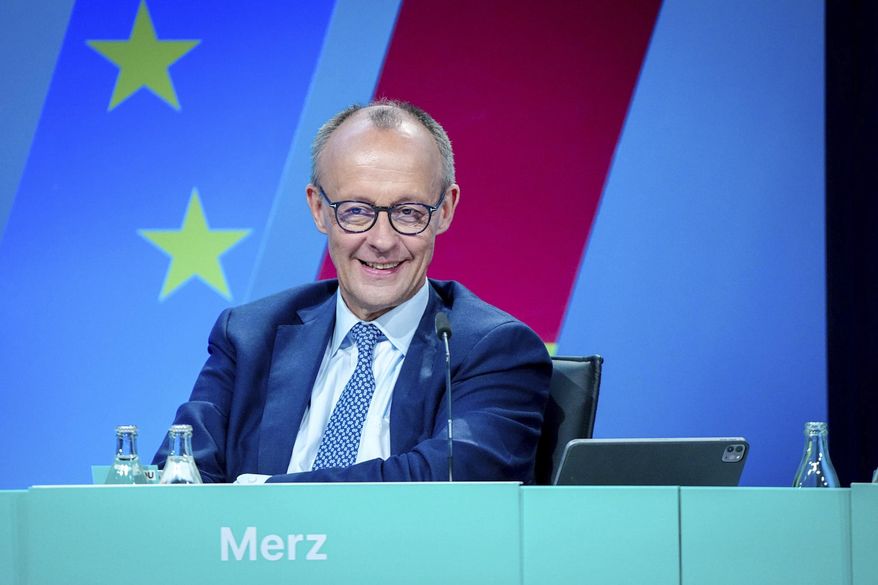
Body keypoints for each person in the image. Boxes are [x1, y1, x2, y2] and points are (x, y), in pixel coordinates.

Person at [153, 99, 552, 483]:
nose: (382, 241)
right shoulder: (250, 336)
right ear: (319, 209)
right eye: (357, 211)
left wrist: (266, 492)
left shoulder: (491, 349)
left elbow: (449, 479)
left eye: (408, 212)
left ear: (444, 210)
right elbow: (181, 474)